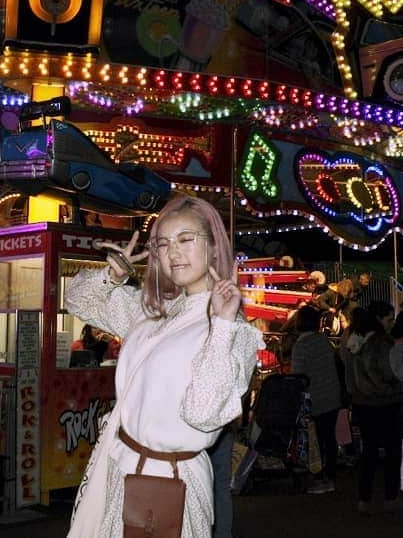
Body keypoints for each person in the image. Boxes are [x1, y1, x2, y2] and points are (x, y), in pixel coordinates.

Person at [64, 194, 262, 538]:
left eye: (186, 240)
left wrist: (223, 324)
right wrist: (114, 274)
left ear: (215, 248)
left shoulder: (236, 332)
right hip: (119, 468)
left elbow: (203, 414)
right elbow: (77, 300)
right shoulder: (155, 311)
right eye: (163, 244)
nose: (173, 252)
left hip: (171, 483)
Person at [341, 301, 403, 515]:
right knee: (393, 450)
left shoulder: (353, 339)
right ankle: (391, 496)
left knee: (369, 451)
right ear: (378, 319)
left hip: (362, 402)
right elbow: (391, 372)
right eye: (389, 319)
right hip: (385, 401)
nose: (392, 324)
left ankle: (364, 498)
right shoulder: (382, 343)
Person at [290, 305, 342, 494]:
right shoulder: (324, 341)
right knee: (329, 438)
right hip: (331, 395)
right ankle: (331, 476)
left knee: (315, 441)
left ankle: (320, 478)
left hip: (314, 399)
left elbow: (298, 377)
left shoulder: (301, 346)